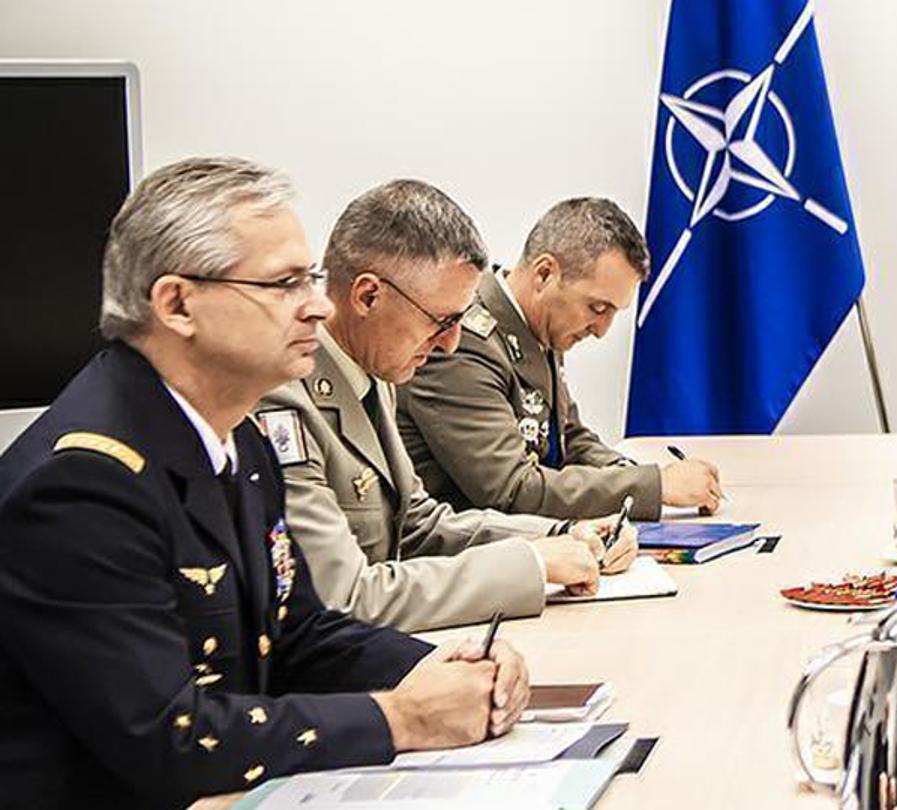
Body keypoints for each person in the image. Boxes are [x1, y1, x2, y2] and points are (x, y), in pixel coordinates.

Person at [0, 158, 530, 808]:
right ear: (177, 304)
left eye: (308, 279)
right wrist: (402, 718)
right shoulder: (82, 484)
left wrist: (435, 666)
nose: (318, 305)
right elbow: (171, 737)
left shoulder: (238, 441)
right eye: (283, 284)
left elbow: (297, 632)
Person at [254, 180, 637, 633]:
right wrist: (531, 563)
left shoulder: (375, 373)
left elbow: (418, 524)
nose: (451, 343)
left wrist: (560, 534)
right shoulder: (282, 400)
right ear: (368, 296)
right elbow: (345, 598)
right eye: (441, 321)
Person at [398, 197, 721, 519]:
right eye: (597, 308)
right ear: (544, 274)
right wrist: (654, 487)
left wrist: (628, 471)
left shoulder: (538, 325)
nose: (602, 330)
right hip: (467, 541)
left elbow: (569, 438)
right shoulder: (463, 342)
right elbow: (512, 489)